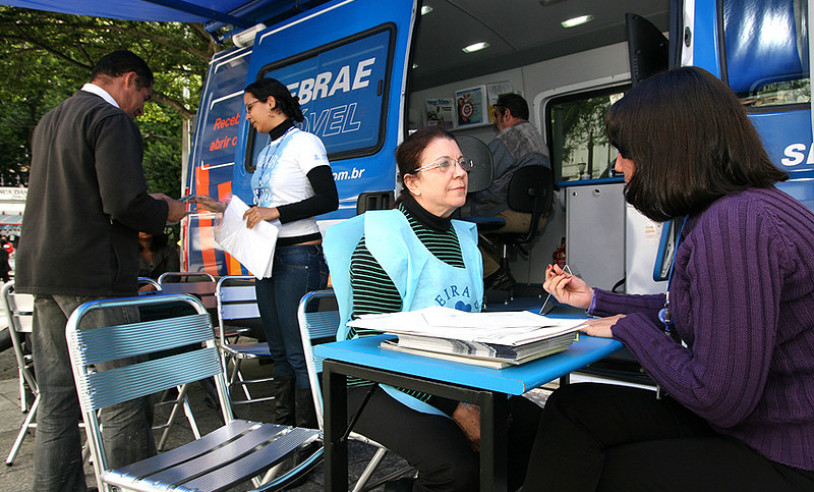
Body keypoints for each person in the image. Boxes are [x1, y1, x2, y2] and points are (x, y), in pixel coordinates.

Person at [521, 67, 814, 492]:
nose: (619, 164)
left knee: (604, 471)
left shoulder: (734, 227)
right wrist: (596, 300)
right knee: (573, 407)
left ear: (667, 151)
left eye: (625, 152)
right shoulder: (745, 208)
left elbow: (716, 398)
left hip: (785, 452)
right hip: (764, 423)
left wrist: (629, 328)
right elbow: (699, 309)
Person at [324, 126, 542, 492]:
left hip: (447, 373)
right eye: (443, 165)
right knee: (457, 468)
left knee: (535, 431)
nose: (459, 172)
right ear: (413, 183)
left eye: (461, 162)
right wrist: (458, 408)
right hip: (373, 380)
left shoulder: (466, 240)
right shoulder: (383, 242)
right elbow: (371, 346)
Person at [14, 50, 186, 492]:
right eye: (143, 97)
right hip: (94, 274)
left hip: (43, 269)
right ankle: (134, 486)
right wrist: (167, 210)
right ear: (129, 79)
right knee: (122, 393)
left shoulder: (51, 119)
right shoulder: (111, 120)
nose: (142, 109)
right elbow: (124, 202)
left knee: (57, 398)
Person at [194, 77, 337, 428]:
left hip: (299, 258)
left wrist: (276, 213)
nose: (247, 117)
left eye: (249, 108)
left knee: (297, 352)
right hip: (267, 258)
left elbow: (327, 199)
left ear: (271, 102)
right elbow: (266, 208)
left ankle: (309, 436)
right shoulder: (266, 150)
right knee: (278, 351)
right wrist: (224, 208)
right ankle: (284, 428)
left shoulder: (305, 142)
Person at [473, 93, 551, 290]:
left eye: (496, 117)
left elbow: (482, 174)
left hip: (512, 212)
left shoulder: (509, 138)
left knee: (455, 226)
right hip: (538, 213)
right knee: (485, 231)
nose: (496, 123)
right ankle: (498, 283)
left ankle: (494, 274)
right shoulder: (536, 137)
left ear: (506, 114)